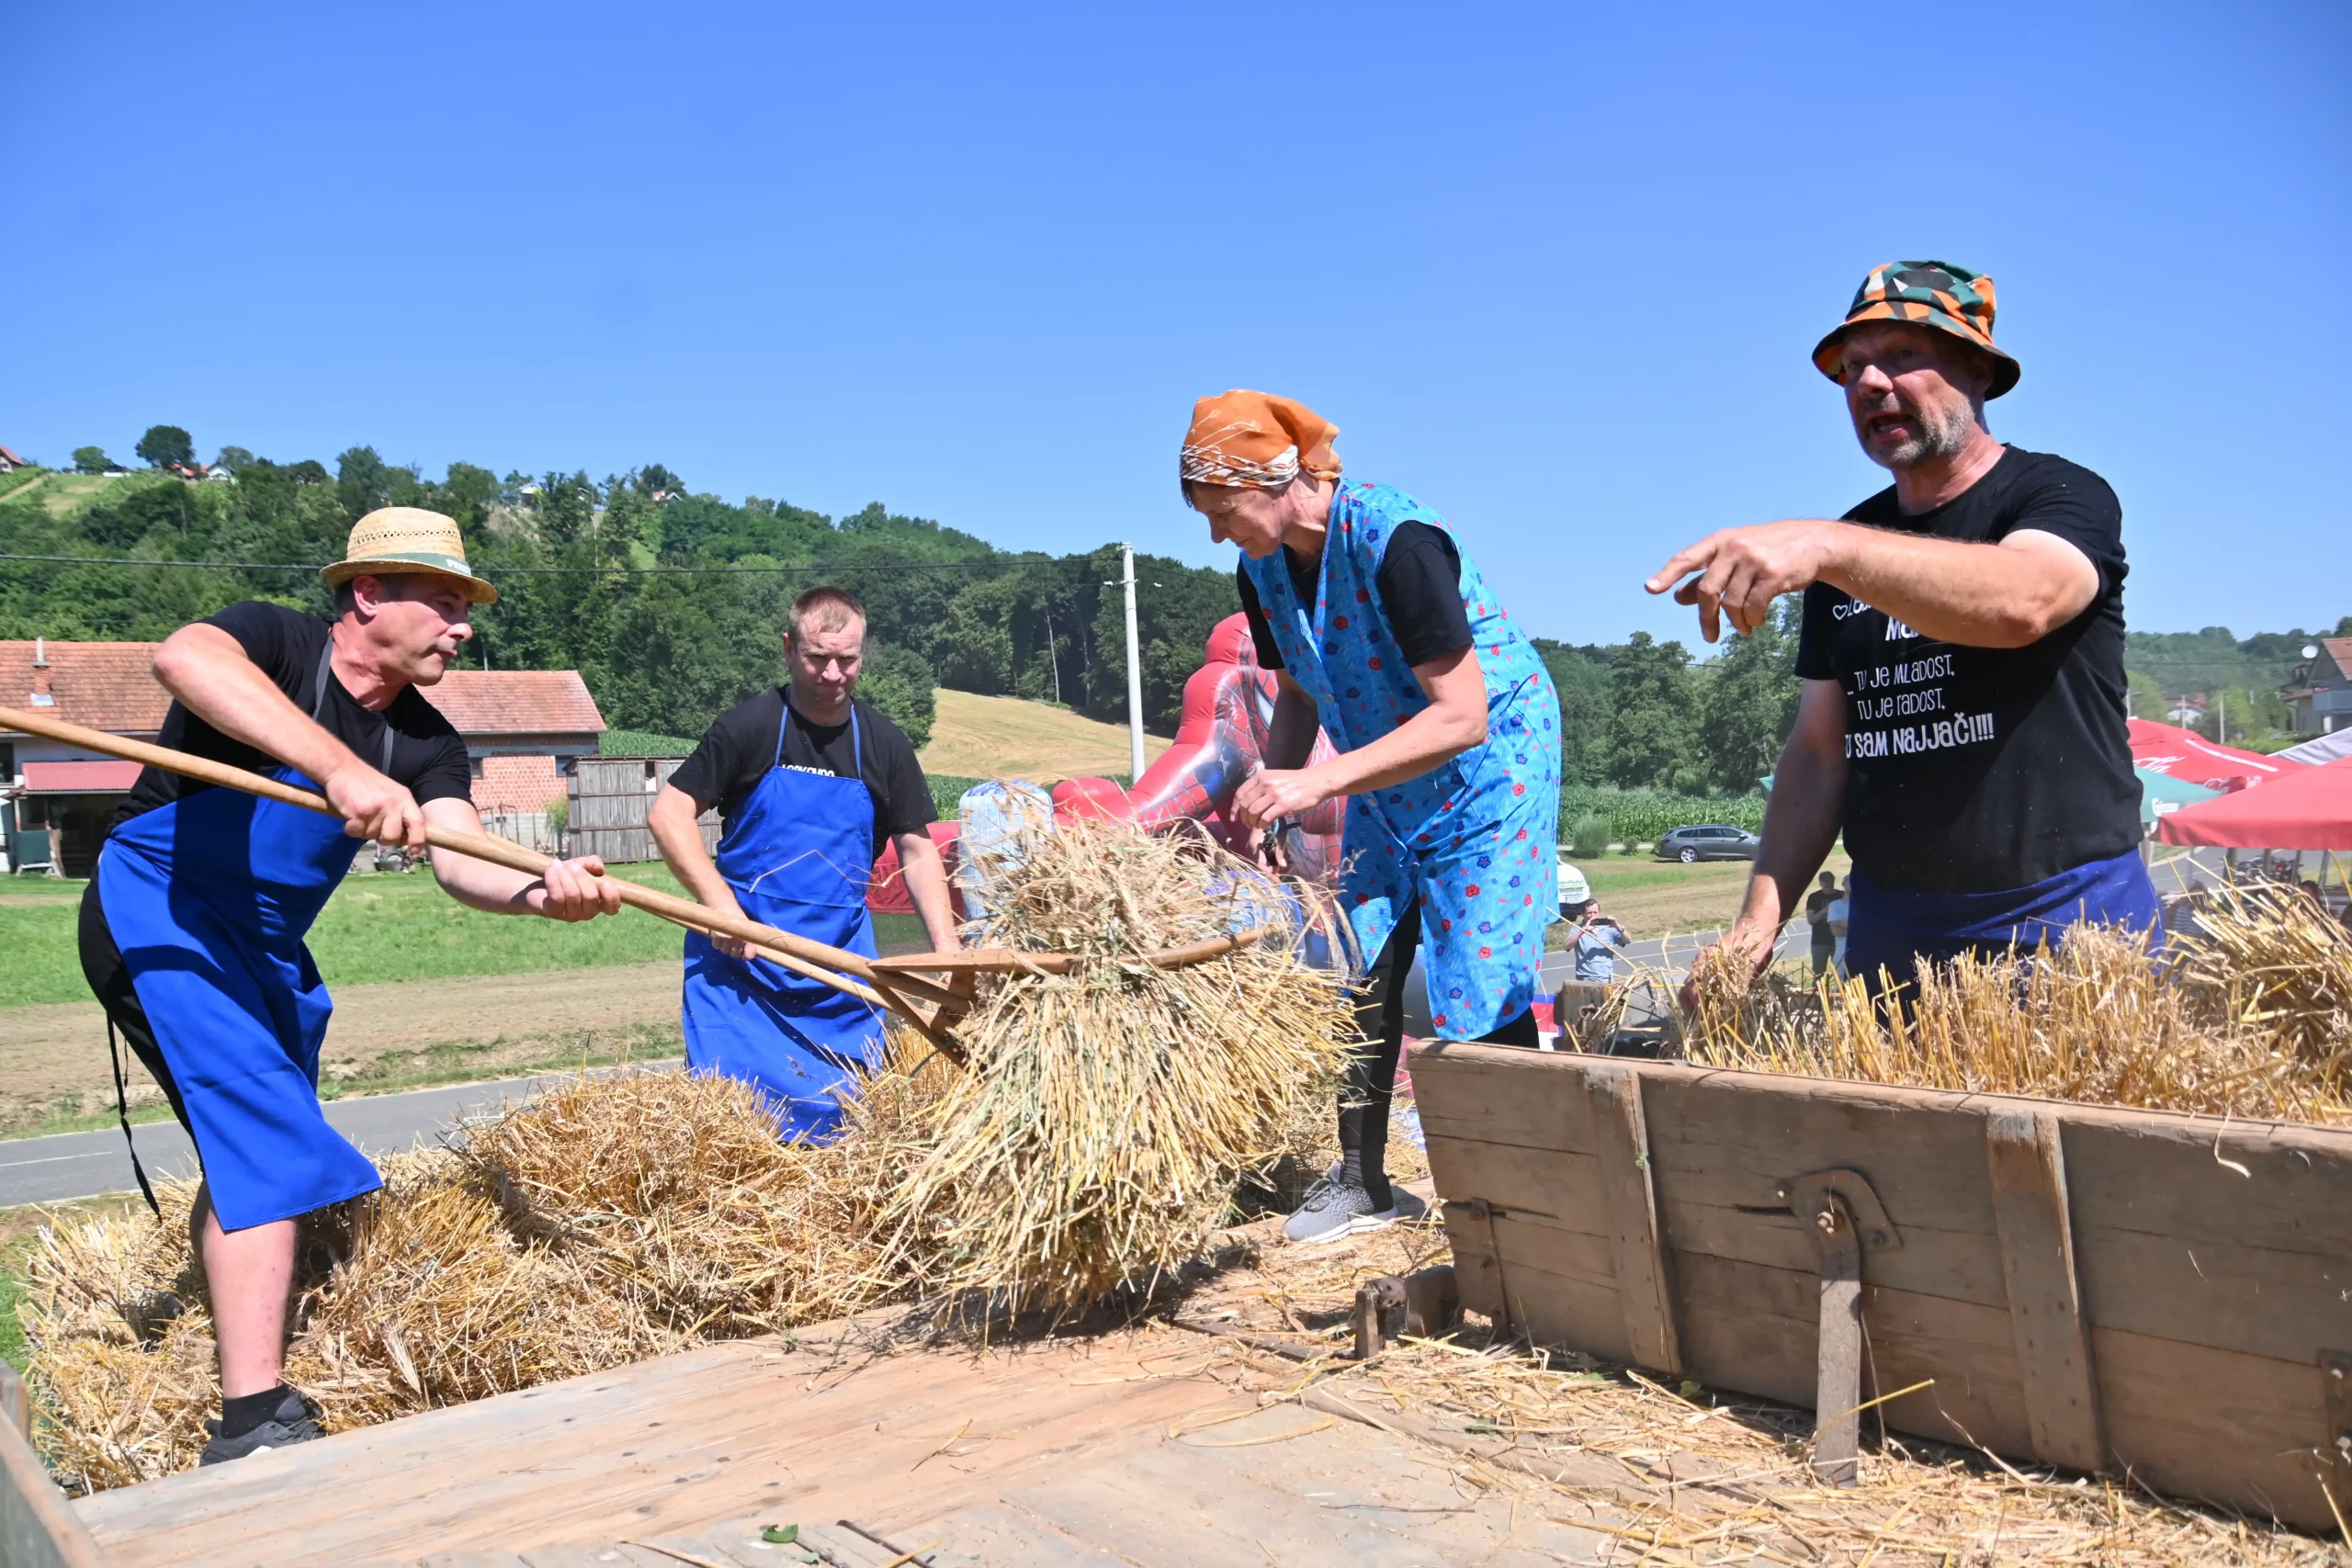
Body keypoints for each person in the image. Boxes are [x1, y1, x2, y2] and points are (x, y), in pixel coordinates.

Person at [77, 508, 622, 1465]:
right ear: (368, 593)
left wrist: (544, 890)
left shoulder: (425, 741)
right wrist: (335, 767)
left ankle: (242, 1347)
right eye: (445, 604)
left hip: (263, 942)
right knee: (263, 1128)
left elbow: (463, 861)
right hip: (157, 908)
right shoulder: (274, 640)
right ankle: (251, 1424)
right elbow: (182, 662)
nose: (463, 627)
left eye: (465, 608)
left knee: (256, 1132)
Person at [1647, 260, 2159, 999]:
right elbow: (1822, 752)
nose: (1870, 384)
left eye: (1902, 356)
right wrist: (1757, 924)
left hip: (2065, 928)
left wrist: (1828, 547)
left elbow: (2026, 601)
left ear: (1978, 371)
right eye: (1854, 367)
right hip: (1897, 939)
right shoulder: (1852, 545)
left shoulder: (2058, 494)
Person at [1183, 389, 1562, 1243]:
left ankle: (1519, 1197)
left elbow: (1462, 715)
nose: (1216, 533)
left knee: (1478, 976)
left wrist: (1318, 787)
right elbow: (1302, 689)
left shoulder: (1397, 541)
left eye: (1222, 510)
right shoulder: (1264, 568)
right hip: (1390, 771)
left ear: (1273, 476)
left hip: (1486, 765)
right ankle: (1361, 1180)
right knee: (1364, 956)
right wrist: (1276, 789)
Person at [649, 586, 958, 1140]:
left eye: (848, 660)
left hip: (840, 972)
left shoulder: (885, 743)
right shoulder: (749, 728)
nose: (834, 674)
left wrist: (946, 949)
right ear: (789, 648)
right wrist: (722, 909)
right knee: (733, 1132)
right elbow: (669, 815)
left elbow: (917, 847)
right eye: (818, 658)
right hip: (738, 964)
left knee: (848, 1129)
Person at [1572, 904, 1630, 984]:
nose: (1593, 916)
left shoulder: (1608, 929)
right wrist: (1582, 930)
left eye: (1595, 912)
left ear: (1599, 912)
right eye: (1589, 913)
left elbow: (1628, 940)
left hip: (1606, 979)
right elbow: (1566, 946)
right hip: (1585, 979)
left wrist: (1618, 926)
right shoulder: (1576, 930)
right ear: (1582, 913)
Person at [1804, 870, 1840, 978]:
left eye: (1830, 886)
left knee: (1840, 971)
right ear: (1820, 884)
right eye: (1826, 887)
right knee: (1819, 974)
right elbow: (1811, 920)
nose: (1828, 889)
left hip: (1837, 940)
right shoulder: (1814, 898)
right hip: (1819, 941)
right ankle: (1819, 992)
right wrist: (1824, 911)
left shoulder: (1841, 896)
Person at [1827, 880, 1850, 978]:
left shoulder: (1864, 906)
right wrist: (1858, 928)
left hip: (1862, 954)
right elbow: (1836, 931)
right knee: (1841, 988)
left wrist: (1843, 923)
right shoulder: (1835, 905)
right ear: (1843, 885)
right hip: (1842, 955)